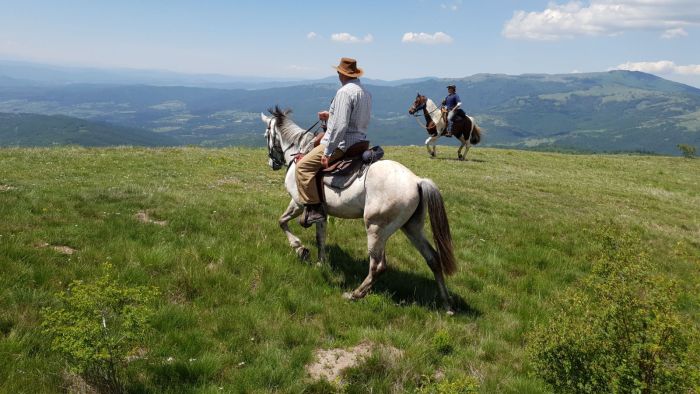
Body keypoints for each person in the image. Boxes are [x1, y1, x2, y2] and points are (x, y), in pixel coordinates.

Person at [295, 57, 372, 228]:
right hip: (359, 141)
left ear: (341, 73)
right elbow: (353, 119)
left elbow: (341, 126)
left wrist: (328, 151)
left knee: (303, 167)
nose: (338, 74)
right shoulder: (365, 92)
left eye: (338, 71)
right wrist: (330, 116)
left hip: (341, 145)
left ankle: (314, 210)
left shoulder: (344, 92)